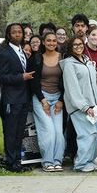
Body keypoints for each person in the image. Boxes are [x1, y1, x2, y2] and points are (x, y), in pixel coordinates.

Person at [62, 37, 97, 172]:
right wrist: (85, 107)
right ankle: (81, 163)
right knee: (87, 135)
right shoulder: (69, 64)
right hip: (80, 107)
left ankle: (91, 158)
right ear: (70, 47)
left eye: (80, 44)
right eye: (75, 45)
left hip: (93, 105)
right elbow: (72, 88)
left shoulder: (87, 60)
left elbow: (95, 81)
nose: (78, 46)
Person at [0, 23, 34, 173]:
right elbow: (2, 76)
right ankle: (11, 161)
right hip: (11, 98)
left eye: (20, 32)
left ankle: (18, 160)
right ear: (8, 35)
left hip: (23, 97)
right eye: (14, 32)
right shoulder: (4, 52)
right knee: (11, 131)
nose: (17, 34)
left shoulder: (22, 51)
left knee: (20, 131)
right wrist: (21, 77)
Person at [30, 32, 65, 172]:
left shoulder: (63, 58)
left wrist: (61, 100)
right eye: (48, 41)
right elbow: (33, 82)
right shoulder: (37, 58)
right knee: (48, 131)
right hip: (41, 97)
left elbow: (66, 82)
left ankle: (57, 161)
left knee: (58, 132)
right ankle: (47, 161)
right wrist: (42, 100)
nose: (51, 43)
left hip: (58, 98)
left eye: (54, 40)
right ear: (43, 42)